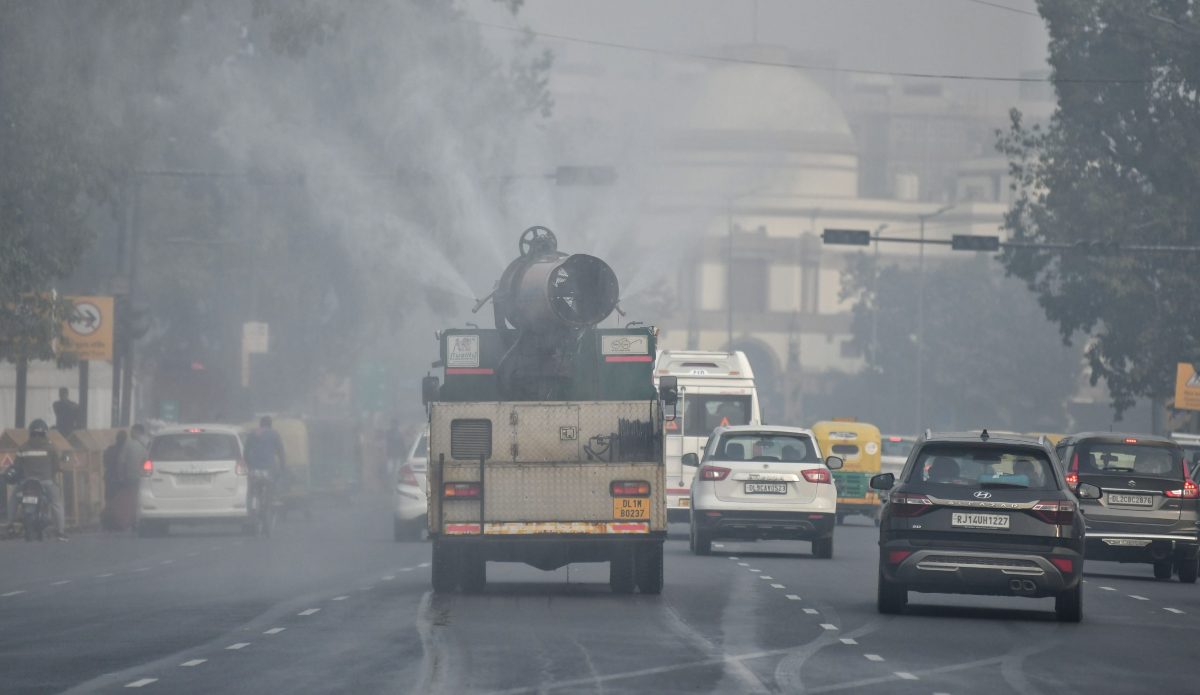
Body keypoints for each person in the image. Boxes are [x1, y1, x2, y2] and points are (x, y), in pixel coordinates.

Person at [6, 419, 67, 541]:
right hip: (46, 481)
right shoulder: (51, 447)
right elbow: (57, 466)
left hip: (26, 482)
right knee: (56, 503)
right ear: (45, 432)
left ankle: (9, 525)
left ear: (31, 433)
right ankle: (60, 532)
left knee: (13, 499)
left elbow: (17, 466)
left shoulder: (23, 447)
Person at [102, 430, 127, 531]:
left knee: (109, 501)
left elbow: (105, 462)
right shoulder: (125, 450)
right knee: (121, 502)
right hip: (120, 479)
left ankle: (109, 523)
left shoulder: (110, 449)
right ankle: (118, 522)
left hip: (109, 477)